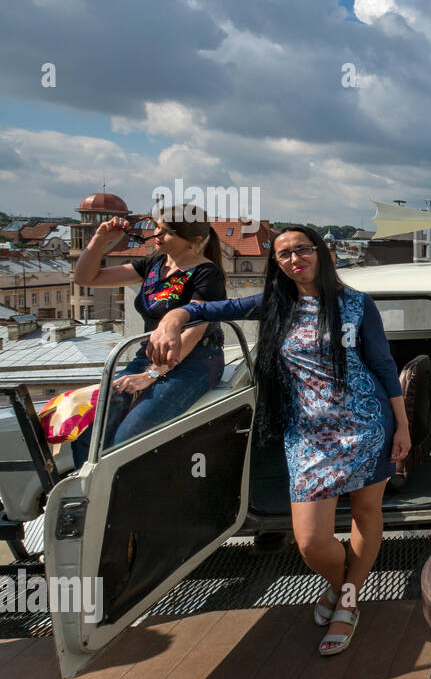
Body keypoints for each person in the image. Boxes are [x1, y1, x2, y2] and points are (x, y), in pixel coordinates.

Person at [148, 225, 411, 656]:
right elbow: (211, 308)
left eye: (302, 249)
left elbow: (383, 366)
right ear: (278, 265)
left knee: (366, 513)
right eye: (283, 255)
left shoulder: (357, 304)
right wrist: (173, 317)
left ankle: (347, 601)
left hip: (367, 425)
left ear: (321, 253)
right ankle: (344, 582)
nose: (294, 259)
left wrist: (402, 426)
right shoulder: (273, 305)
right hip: (307, 436)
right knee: (310, 542)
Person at [70, 205, 227, 464]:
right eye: (156, 227)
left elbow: (194, 334)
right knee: (90, 431)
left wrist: (150, 376)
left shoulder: (206, 273)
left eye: (166, 232)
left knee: (128, 440)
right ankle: (88, 497)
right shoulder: (155, 263)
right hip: (149, 356)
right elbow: (86, 277)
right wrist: (100, 239)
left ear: (194, 240)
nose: (156, 234)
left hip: (194, 362)